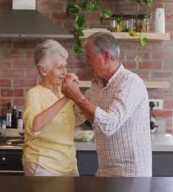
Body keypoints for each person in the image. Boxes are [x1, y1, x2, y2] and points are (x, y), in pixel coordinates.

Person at [62, 32, 152, 177]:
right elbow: (77, 117)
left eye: (89, 58)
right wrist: (66, 95)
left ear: (106, 56)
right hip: (105, 171)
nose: (87, 63)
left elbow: (110, 125)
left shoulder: (130, 83)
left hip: (130, 174)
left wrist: (78, 96)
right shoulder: (97, 85)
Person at [22, 39, 79, 176]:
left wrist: (77, 94)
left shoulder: (62, 91)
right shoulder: (34, 94)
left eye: (65, 66)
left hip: (69, 164)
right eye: (60, 68)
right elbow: (34, 126)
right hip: (43, 165)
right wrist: (67, 97)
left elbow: (78, 120)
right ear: (43, 71)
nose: (65, 72)